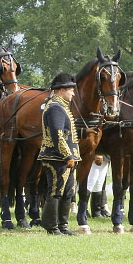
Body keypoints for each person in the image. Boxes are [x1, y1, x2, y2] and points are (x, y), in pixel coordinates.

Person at [38, 73, 81, 235]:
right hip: (56, 157)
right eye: (71, 90)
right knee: (56, 191)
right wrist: (67, 156)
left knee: (68, 192)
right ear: (61, 90)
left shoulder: (61, 106)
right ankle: (51, 226)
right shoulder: (55, 107)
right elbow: (57, 135)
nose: (73, 93)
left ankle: (63, 225)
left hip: (66, 158)